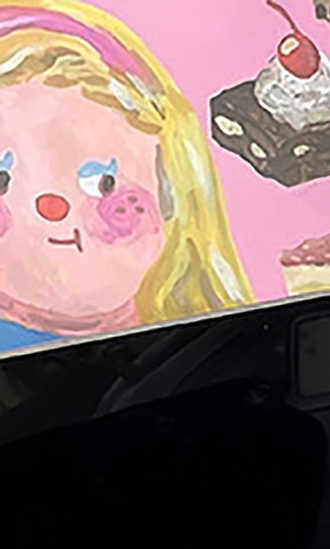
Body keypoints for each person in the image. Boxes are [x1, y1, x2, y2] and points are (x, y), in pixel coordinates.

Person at [0, 0, 252, 351]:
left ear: (170, 186)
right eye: (3, 183)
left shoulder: (221, 340)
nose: (51, 208)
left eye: (104, 183)